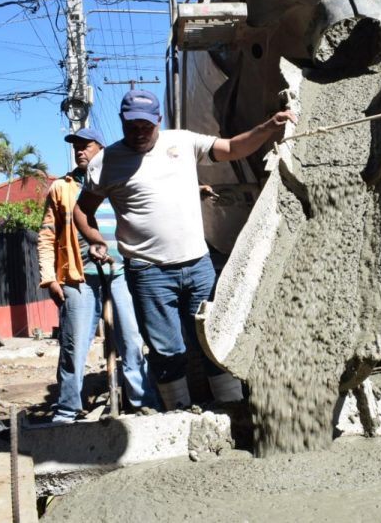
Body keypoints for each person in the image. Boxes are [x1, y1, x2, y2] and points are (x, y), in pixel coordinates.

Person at [75, 89, 296, 410]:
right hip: (148, 273)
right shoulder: (106, 162)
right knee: (167, 351)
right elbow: (82, 210)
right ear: (121, 122)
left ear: (158, 121)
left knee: (215, 339)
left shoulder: (181, 142)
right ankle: (179, 415)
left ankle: (232, 409)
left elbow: (233, 148)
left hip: (197, 266)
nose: (139, 133)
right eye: (131, 126)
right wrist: (95, 239)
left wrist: (268, 127)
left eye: (145, 126)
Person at [38, 128, 159, 423]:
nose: (80, 151)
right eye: (76, 147)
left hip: (120, 271)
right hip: (78, 276)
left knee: (131, 337)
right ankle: (67, 410)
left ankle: (141, 401)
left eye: (86, 146)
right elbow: (46, 235)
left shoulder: (120, 177)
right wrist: (50, 278)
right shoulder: (62, 188)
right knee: (74, 344)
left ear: (101, 149)